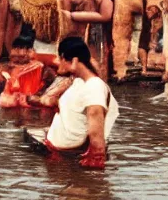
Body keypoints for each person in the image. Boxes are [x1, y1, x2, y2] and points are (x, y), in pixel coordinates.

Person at [42, 37, 120, 168]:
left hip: (70, 159)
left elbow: (95, 117)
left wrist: (96, 157)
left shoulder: (94, 85)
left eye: (60, 58)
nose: (58, 62)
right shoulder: (79, 82)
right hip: (58, 156)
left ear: (73, 60)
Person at [0, 36, 57, 108]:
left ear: (29, 51)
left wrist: (38, 94)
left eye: (20, 48)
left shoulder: (41, 67)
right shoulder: (6, 68)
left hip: (30, 101)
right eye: (15, 48)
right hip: (11, 101)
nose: (16, 52)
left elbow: (50, 79)